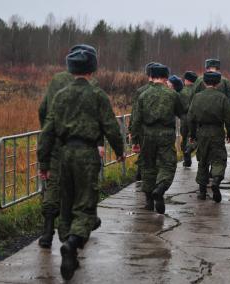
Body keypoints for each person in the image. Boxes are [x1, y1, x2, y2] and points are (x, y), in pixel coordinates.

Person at [38, 44, 125, 280]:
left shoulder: (60, 95)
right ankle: (73, 242)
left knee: (65, 205)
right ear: (92, 68)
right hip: (86, 155)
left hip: (63, 155)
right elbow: (110, 126)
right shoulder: (97, 95)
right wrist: (119, 151)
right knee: (85, 204)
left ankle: (67, 243)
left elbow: (47, 131)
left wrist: (43, 164)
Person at [37, 46, 104, 249]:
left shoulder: (56, 80)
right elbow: (98, 117)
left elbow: (43, 109)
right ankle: (82, 224)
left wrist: (48, 133)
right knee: (82, 186)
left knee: (54, 184)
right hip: (82, 145)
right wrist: (100, 143)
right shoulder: (91, 83)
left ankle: (47, 231)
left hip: (56, 141)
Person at [131, 64, 184, 214]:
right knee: (167, 164)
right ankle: (160, 188)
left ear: (152, 76)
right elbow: (182, 114)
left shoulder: (143, 95)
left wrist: (135, 141)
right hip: (166, 134)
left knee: (148, 166)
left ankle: (149, 201)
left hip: (147, 135)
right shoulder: (172, 94)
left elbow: (135, 120)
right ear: (166, 77)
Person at [188, 71, 230, 202]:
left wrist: (192, 135)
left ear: (203, 82)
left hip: (202, 132)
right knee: (218, 159)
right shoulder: (222, 98)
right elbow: (228, 118)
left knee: (202, 160)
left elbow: (190, 117)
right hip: (217, 132)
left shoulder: (197, 97)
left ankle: (202, 192)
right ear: (218, 83)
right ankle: (216, 181)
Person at [129, 62, 158, 183]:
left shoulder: (140, 91)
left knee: (144, 152)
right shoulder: (165, 90)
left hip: (142, 128)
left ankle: (141, 175)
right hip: (159, 128)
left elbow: (135, 112)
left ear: (147, 74)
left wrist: (131, 130)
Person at [181, 71, 198, 167]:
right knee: (194, 137)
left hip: (184, 118)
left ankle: (186, 160)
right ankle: (190, 149)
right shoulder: (197, 90)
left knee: (184, 138)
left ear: (187, 80)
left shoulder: (182, 91)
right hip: (195, 117)